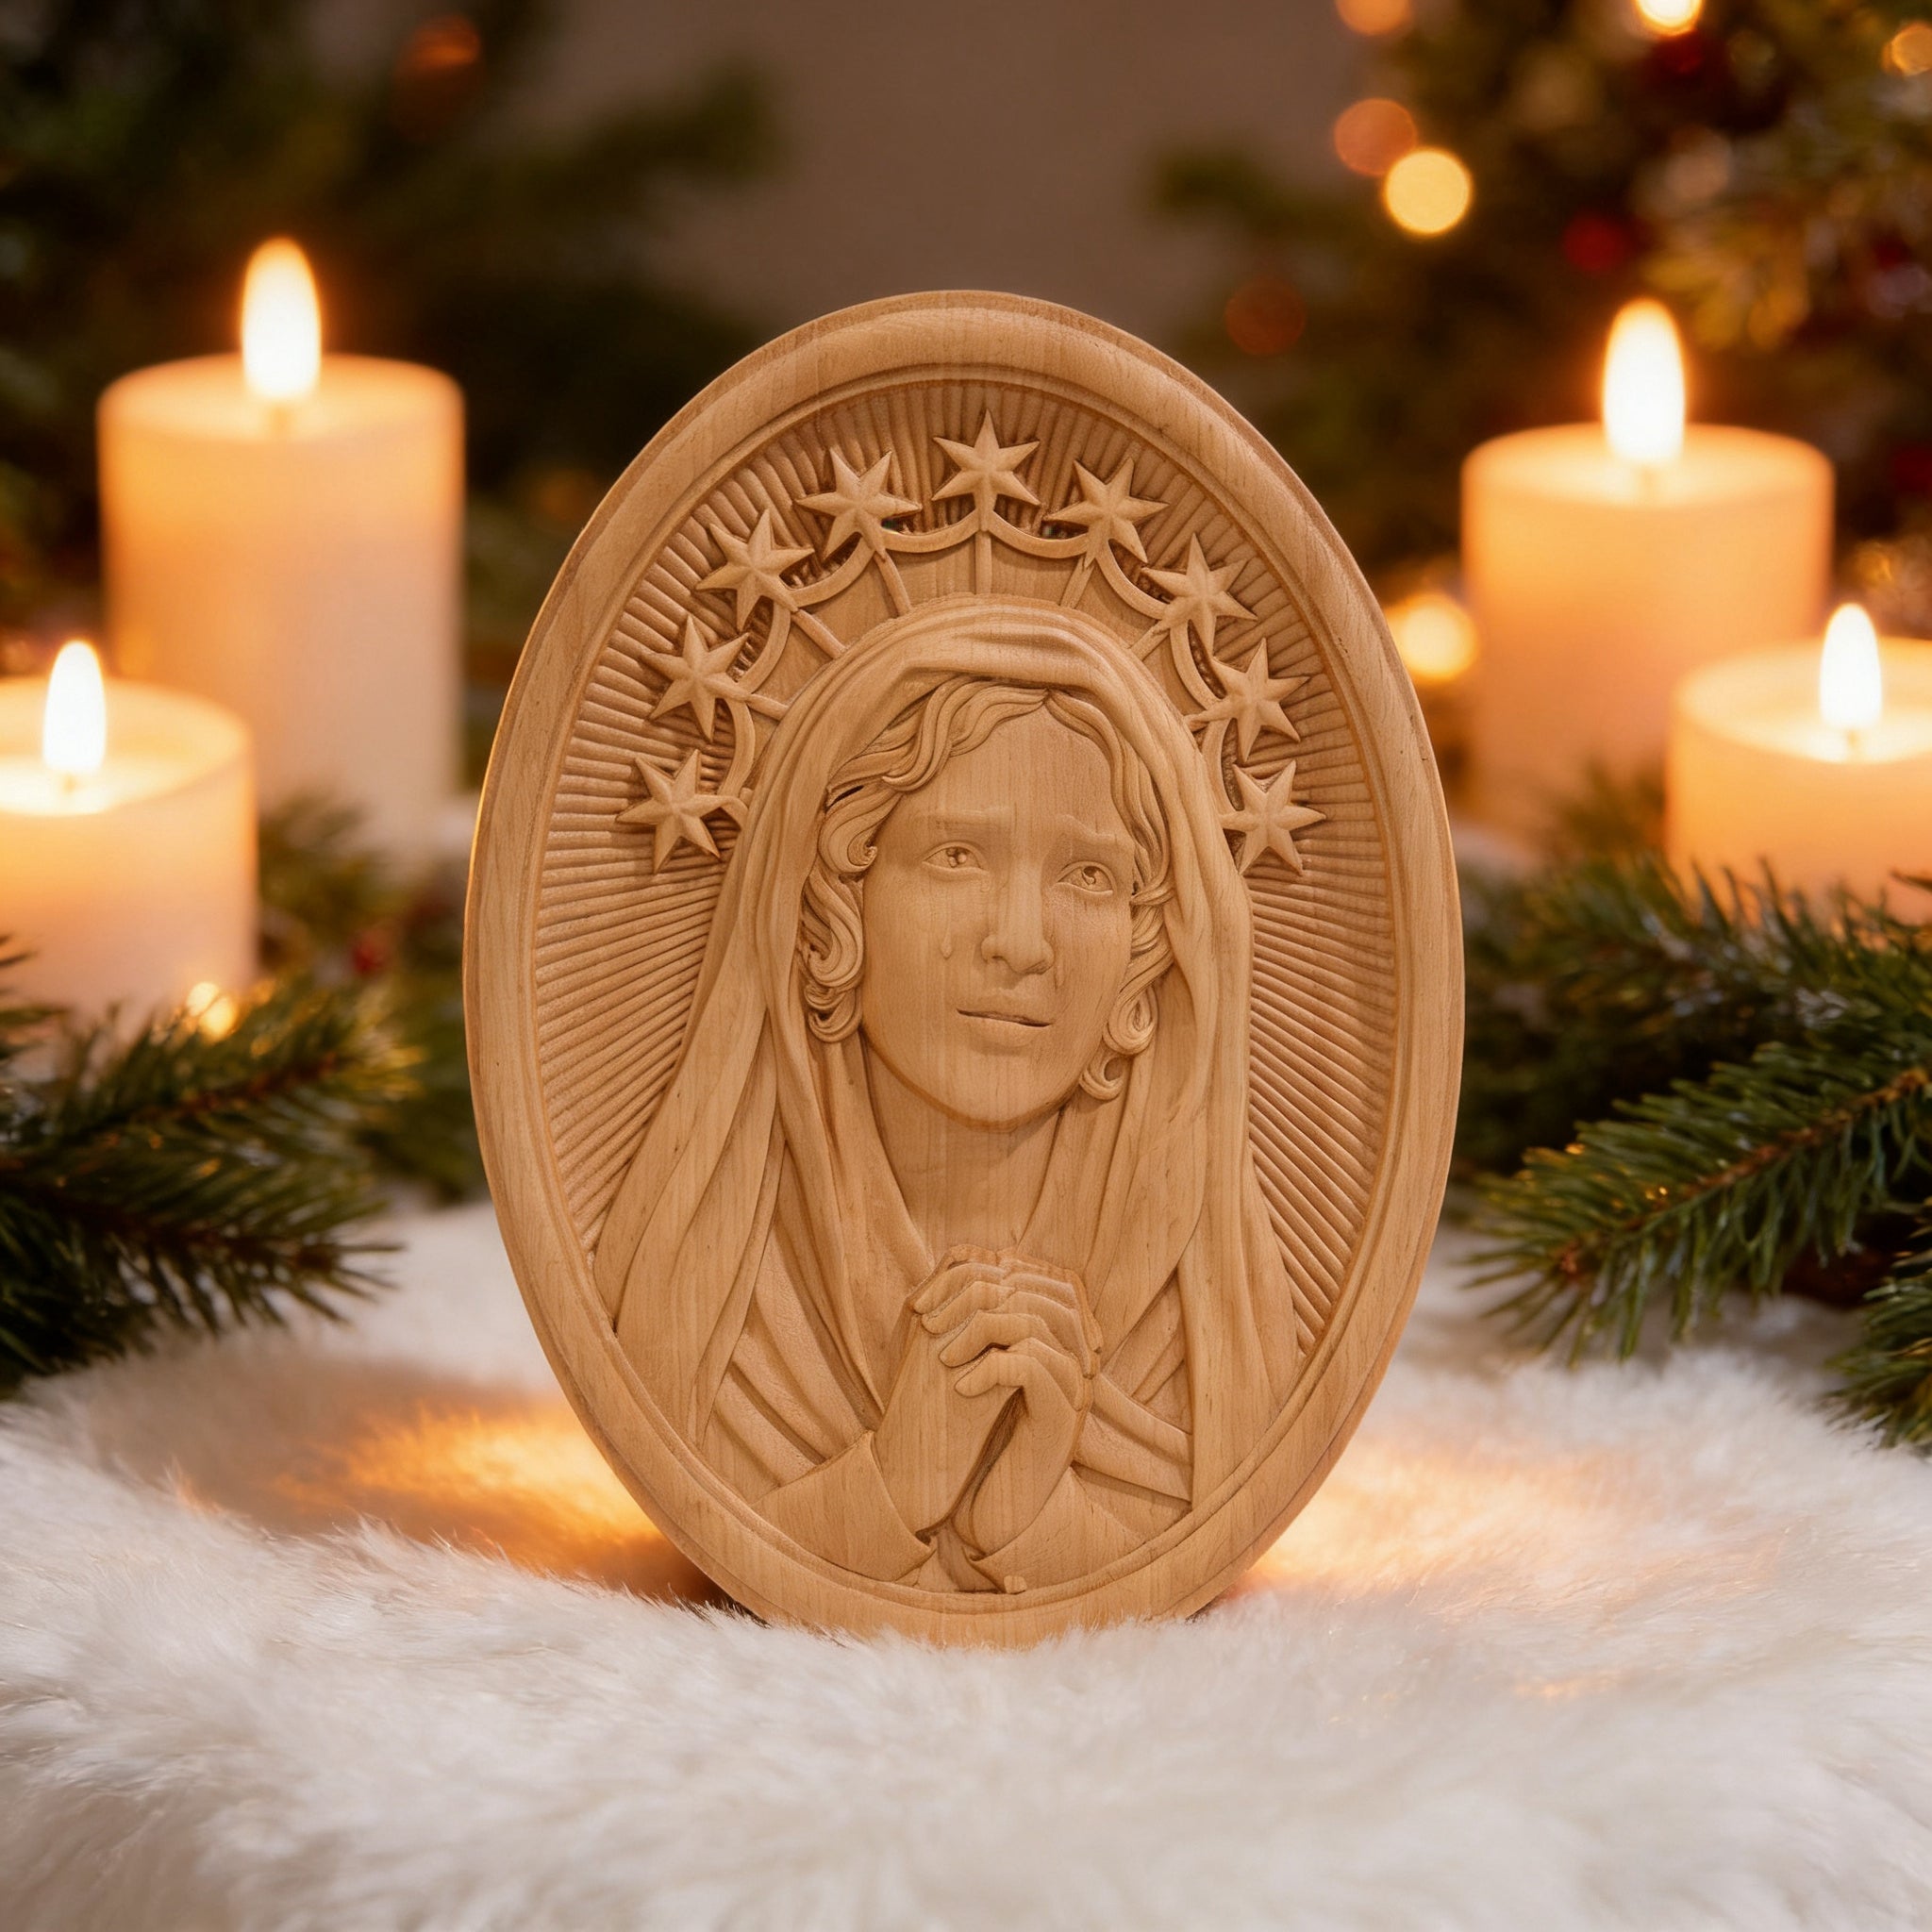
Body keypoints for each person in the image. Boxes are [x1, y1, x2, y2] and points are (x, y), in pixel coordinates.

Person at [593, 595, 1298, 1594]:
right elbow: (700, 1535)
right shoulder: (703, 1298)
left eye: (1090, 875)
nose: (1020, 939)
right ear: (833, 895)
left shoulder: (1212, 1331)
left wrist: (1031, 1515)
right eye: (956, 855)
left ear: (1150, 949)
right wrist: (892, 1479)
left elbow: (1189, 1570)